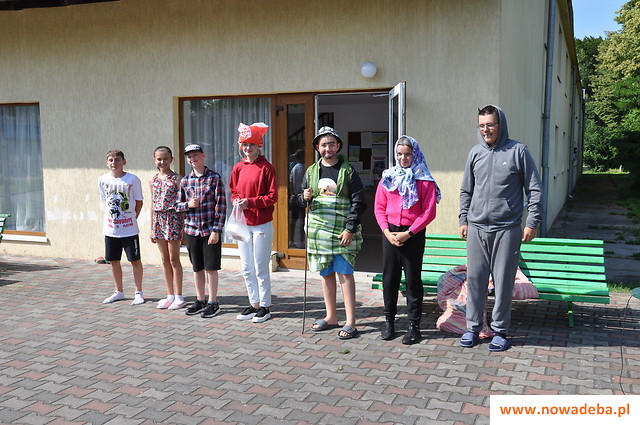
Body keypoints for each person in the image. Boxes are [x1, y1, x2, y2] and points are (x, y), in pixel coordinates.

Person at [458, 104, 543, 351]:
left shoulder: (518, 151)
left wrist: (532, 222)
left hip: (507, 228)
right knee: (475, 280)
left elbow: (535, 189)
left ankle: (500, 331)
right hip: (477, 228)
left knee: (504, 282)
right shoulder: (475, 153)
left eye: (490, 125)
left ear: (500, 125)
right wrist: (463, 219)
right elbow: (466, 190)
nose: (486, 130)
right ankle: (473, 328)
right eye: (481, 125)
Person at [298, 126, 366, 339]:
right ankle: (331, 317)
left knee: (345, 273)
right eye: (323, 145)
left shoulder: (348, 170)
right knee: (326, 273)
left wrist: (350, 228)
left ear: (338, 146)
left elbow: (358, 201)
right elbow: (300, 200)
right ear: (317, 147)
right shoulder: (311, 171)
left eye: (331, 144)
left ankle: (351, 321)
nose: (328, 148)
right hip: (320, 232)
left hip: (341, 230)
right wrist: (303, 197)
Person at [374, 136, 440, 344]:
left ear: (415, 154)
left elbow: (428, 212)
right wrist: (387, 232)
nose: (403, 158)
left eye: (408, 154)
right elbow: (379, 208)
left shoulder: (425, 180)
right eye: (400, 154)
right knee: (389, 280)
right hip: (390, 234)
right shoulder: (388, 177)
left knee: (413, 281)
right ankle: (389, 322)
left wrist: (409, 233)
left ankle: (414, 326)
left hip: (413, 234)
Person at [229, 122, 278, 323]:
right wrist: (236, 200)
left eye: (251, 144)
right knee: (247, 267)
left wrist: (250, 202)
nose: (247, 148)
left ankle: (265, 306)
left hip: (261, 223)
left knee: (260, 266)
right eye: (244, 144)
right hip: (243, 224)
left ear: (259, 146)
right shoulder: (238, 167)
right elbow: (233, 190)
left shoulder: (266, 167)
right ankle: (254, 303)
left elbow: (272, 196)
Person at [176, 144, 227, 318]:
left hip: (209, 230)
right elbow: (177, 206)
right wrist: (188, 205)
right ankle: (200, 300)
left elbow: (221, 206)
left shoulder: (214, 178)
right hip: (192, 230)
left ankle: (213, 302)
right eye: (189, 156)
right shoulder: (185, 181)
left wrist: (216, 230)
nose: (193, 159)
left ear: (203, 156)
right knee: (197, 267)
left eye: (196, 155)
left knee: (211, 268)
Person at [98, 150, 144, 305]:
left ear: (124, 162)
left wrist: (132, 217)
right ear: (107, 163)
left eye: (117, 160)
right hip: (111, 230)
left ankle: (138, 292)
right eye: (111, 160)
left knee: (135, 261)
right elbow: (106, 201)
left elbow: (139, 202)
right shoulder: (102, 180)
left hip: (129, 230)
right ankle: (119, 291)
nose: (114, 163)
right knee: (114, 261)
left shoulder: (132, 179)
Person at [149, 146, 186, 310]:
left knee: (174, 259)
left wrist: (182, 224)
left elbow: (183, 203)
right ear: (154, 160)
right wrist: (152, 227)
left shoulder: (178, 179)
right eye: (159, 159)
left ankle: (179, 296)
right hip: (158, 220)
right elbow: (152, 204)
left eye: (165, 158)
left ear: (172, 159)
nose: (162, 162)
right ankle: (169, 294)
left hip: (173, 219)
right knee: (164, 260)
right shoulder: (153, 180)